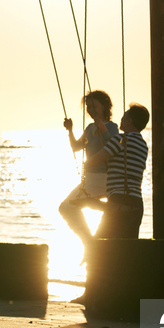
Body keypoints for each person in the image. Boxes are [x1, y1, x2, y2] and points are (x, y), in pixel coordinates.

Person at [74, 102, 150, 239]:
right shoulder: (142, 145)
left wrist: (89, 158)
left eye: (124, 116)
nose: (121, 119)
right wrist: (104, 131)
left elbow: (95, 160)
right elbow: (116, 147)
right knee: (127, 249)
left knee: (101, 247)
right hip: (137, 203)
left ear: (129, 120)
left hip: (119, 199)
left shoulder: (121, 139)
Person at [58, 90, 120, 244]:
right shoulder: (89, 128)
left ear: (105, 106)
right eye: (88, 107)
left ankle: (90, 240)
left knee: (69, 206)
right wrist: (70, 130)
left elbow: (113, 147)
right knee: (64, 208)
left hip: (103, 177)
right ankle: (89, 240)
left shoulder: (112, 127)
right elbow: (76, 147)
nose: (91, 110)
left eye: (94, 106)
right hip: (89, 179)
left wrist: (102, 129)